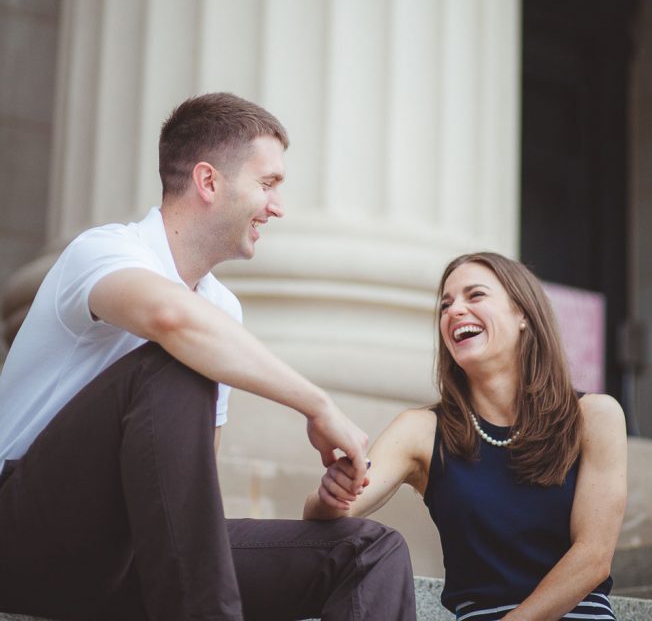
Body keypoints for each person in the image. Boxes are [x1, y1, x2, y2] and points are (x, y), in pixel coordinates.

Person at [0, 92, 416, 621]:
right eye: (267, 185)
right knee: (177, 361)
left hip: (131, 554)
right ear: (209, 181)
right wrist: (317, 404)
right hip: (22, 535)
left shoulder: (222, 308)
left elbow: (187, 487)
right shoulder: (104, 251)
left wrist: (324, 508)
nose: (277, 207)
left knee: (369, 550)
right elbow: (171, 321)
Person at [305, 251, 627, 621]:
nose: (454, 311)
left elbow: (593, 557)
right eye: (445, 305)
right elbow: (326, 519)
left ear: (522, 313)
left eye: (475, 296)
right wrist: (330, 495)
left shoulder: (595, 416)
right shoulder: (420, 430)